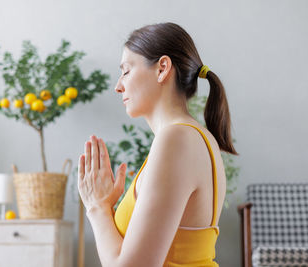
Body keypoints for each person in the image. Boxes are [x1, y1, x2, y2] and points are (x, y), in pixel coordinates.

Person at [78, 22, 238, 267]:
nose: (118, 86)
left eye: (126, 71)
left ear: (162, 68)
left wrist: (97, 208)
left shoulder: (177, 140)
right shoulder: (194, 137)